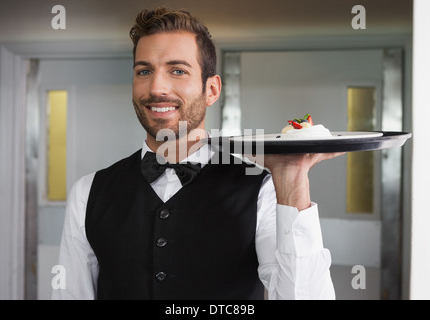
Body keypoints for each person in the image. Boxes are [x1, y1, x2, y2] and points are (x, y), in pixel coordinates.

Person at [51, 6, 342, 300]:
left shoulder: (262, 190)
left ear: (211, 90)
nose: (157, 87)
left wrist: (292, 183)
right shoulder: (87, 193)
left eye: (178, 70)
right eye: (144, 71)